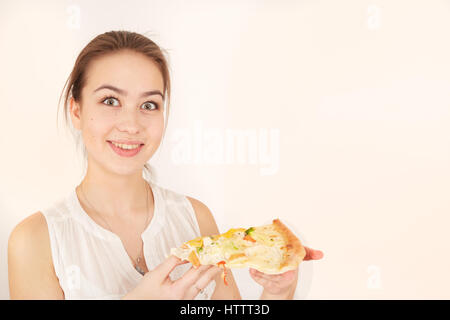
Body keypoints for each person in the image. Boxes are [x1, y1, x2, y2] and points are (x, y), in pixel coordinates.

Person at [7, 30, 323, 300]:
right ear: (76, 110)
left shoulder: (195, 219)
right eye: (110, 101)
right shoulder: (36, 241)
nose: (131, 125)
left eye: (148, 105)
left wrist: (277, 293)